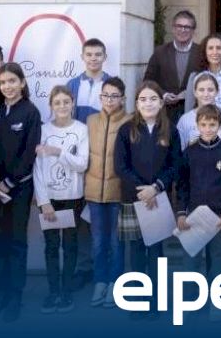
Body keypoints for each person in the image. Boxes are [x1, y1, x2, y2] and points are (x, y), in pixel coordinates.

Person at [0, 62, 43, 322]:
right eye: (3, 82)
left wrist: (8, 182)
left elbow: (29, 153)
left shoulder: (30, 112)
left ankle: (15, 297)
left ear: (22, 83)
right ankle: (0, 294)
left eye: (12, 81)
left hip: (18, 189)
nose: (7, 86)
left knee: (16, 242)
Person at [115, 81, 181, 318]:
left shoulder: (170, 130)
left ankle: (157, 301)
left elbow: (176, 165)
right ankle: (138, 302)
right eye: (143, 99)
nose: (148, 103)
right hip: (134, 199)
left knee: (156, 252)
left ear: (161, 103)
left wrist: (156, 188)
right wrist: (142, 190)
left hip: (159, 198)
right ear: (136, 104)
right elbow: (120, 166)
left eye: (153, 99)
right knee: (136, 252)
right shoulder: (126, 130)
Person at [174, 104, 221, 322]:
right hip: (193, 216)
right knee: (190, 261)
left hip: (218, 217)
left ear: (219, 125)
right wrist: (181, 213)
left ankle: (217, 302)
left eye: (212, 124)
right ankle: (190, 302)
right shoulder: (189, 153)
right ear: (197, 125)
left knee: (217, 260)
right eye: (204, 124)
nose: (208, 129)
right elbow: (182, 185)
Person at [33, 85, 89, 314]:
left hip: (72, 198)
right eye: (57, 102)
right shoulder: (42, 130)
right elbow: (37, 169)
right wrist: (43, 201)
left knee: (70, 245)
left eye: (66, 101)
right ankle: (53, 291)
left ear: (72, 103)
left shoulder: (82, 130)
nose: (62, 106)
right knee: (51, 246)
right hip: (50, 200)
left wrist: (58, 152)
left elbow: (82, 164)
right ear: (51, 106)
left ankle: (66, 292)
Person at [84, 77, 130, 308]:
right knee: (98, 242)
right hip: (94, 192)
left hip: (118, 191)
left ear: (123, 98)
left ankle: (115, 283)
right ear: (100, 97)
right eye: (105, 95)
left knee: (116, 241)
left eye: (114, 96)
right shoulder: (91, 120)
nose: (109, 100)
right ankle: (100, 282)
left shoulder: (130, 121)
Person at [143, 10, 203, 124]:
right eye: (179, 26)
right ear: (173, 29)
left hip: (194, 112)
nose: (182, 30)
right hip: (165, 113)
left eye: (187, 27)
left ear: (193, 31)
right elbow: (148, 81)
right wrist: (163, 94)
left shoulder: (201, 53)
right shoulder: (160, 52)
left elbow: (208, 79)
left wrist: (188, 93)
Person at [177, 73, 221, 149]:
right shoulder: (185, 120)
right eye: (201, 90)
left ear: (217, 91)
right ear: (195, 92)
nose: (206, 94)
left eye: (210, 90)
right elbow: (181, 150)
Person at [65, 38, 111, 123]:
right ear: (82, 57)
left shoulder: (112, 84)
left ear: (104, 57)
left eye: (98, 55)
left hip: (103, 131)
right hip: (77, 131)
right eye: (89, 55)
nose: (93, 58)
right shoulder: (72, 85)